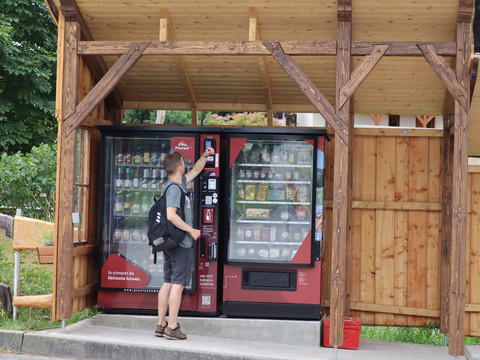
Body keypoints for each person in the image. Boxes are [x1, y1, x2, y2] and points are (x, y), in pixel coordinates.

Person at [155, 146, 215, 340]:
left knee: (168, 282)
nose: (185, 165)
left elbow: (196, 171)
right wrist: (191, 230)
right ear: (180, 167)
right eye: (183, 162)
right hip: (181, 243)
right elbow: (171, 215)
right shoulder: (174, 189)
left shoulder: (177, 184)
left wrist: (205, 156)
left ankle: (161, 324)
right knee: (178, 284)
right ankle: (172, 326)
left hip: (171, 243)